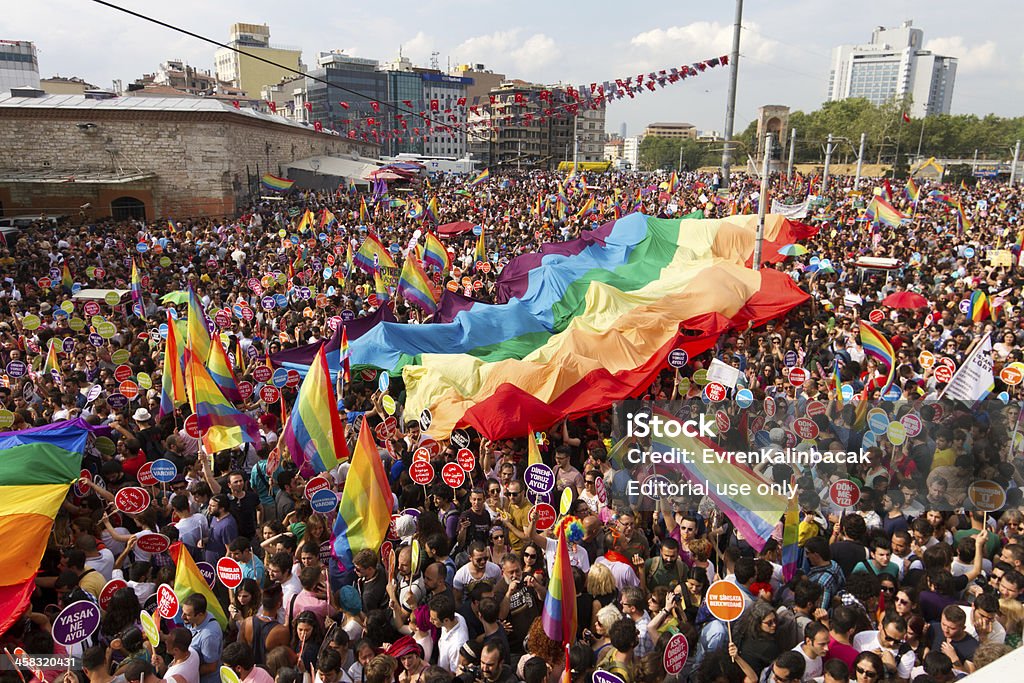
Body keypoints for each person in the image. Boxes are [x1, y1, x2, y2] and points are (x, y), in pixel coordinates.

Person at [181, 594, 223, 683]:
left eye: (187, 615)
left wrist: (188, 673)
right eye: (183, 612)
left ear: (200, 614)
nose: (182, 617)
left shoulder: (209, 636)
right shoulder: (195, 620)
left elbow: (211, 667)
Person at [430, 593, 469, 673]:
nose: (430, 620)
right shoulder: (457, 617)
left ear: (446, 620)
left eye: (434, 619)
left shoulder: (457, 645)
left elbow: (453, 673)